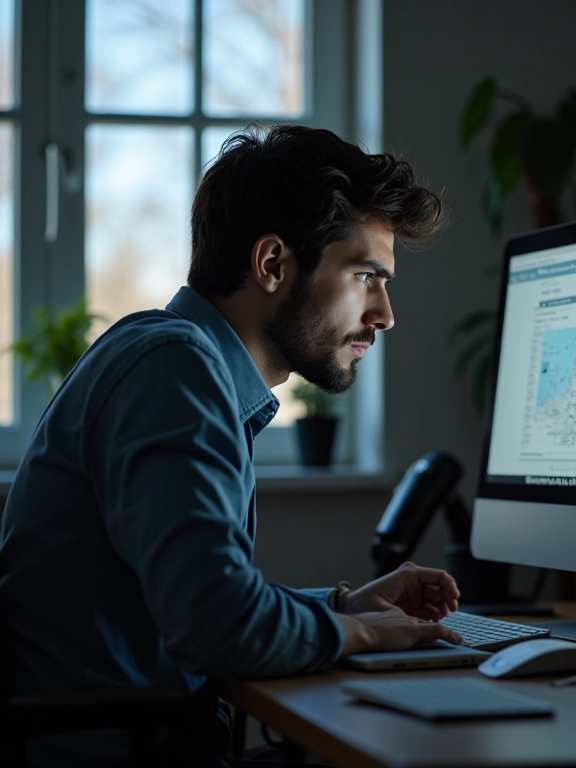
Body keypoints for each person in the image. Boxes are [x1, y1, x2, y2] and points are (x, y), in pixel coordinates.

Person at [0, 123, 462, 767]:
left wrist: (342, 606)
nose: (384, 314)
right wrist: (356, 632)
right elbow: (218, 626)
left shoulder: (171, 357)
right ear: (273, 263)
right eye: (365, 276)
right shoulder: (176, 371)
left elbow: (195, 604)